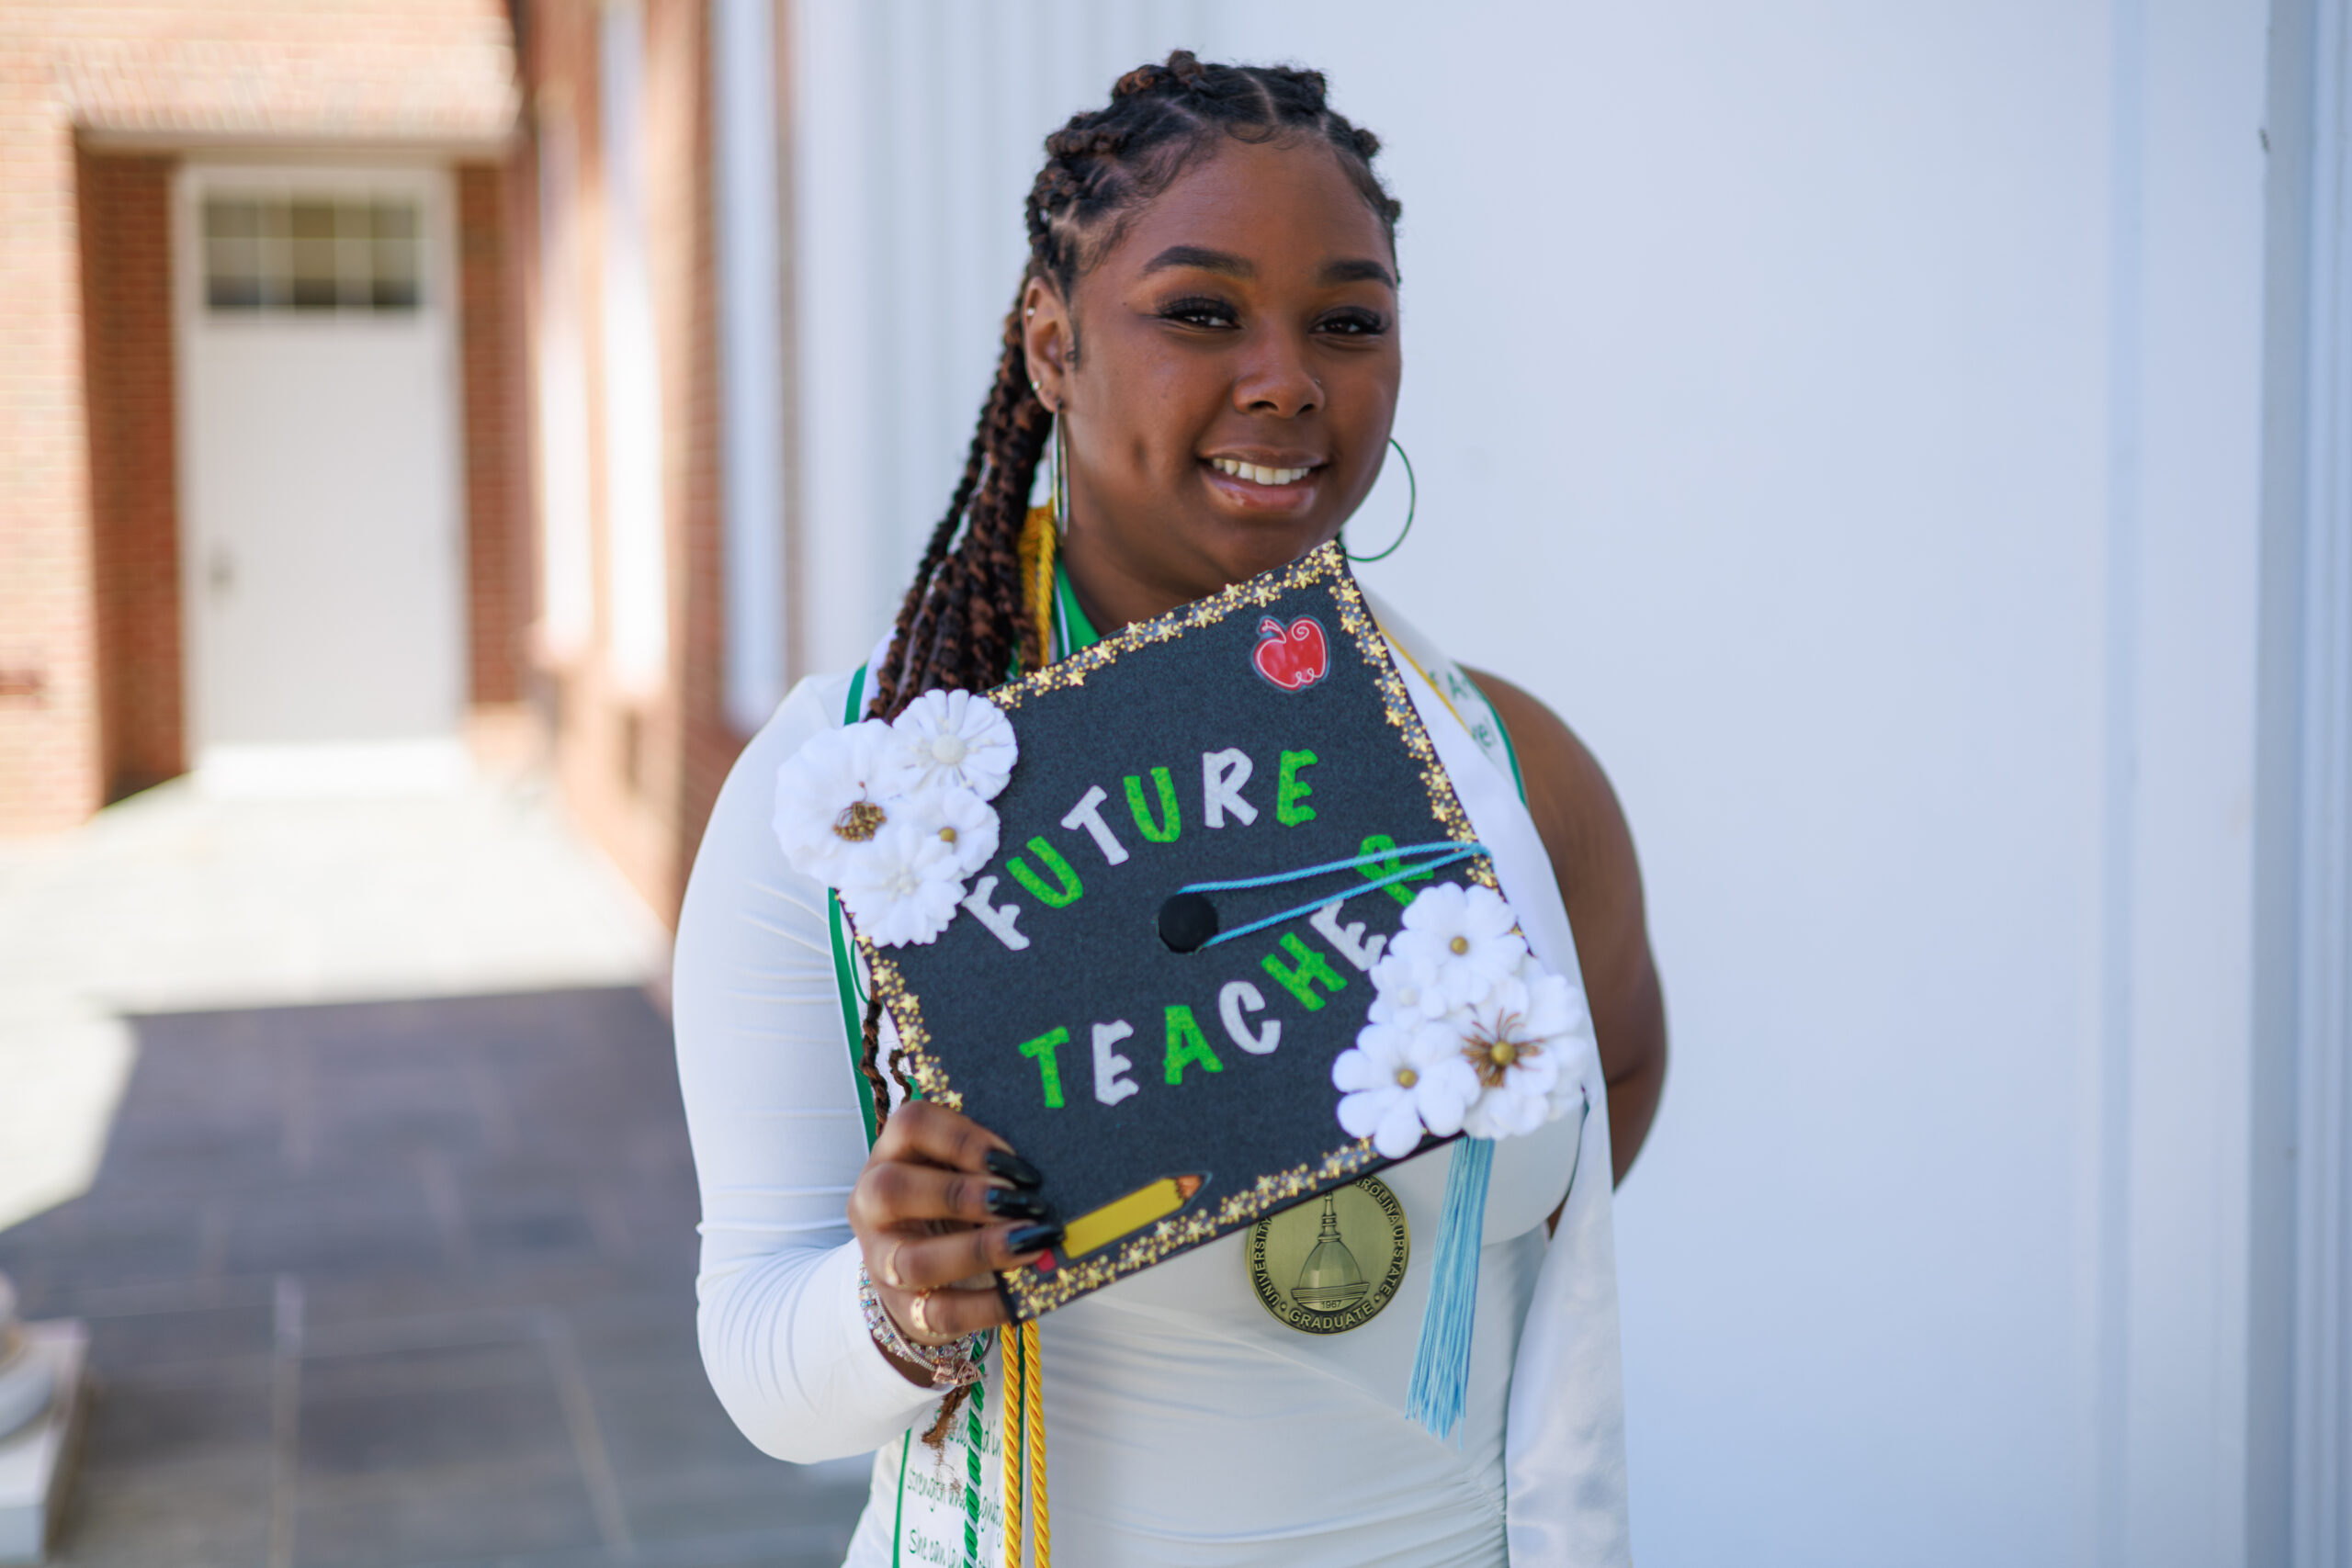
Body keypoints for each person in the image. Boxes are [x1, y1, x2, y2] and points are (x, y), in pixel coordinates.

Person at [673, 51, 1667, 1567]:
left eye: (1350, 321)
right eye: (1201, 313)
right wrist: (899, 1304)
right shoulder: (855, 801)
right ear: (1052, 344)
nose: (1286, 378)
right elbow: (762, 1366)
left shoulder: (1510, 776)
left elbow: (1605, 1109)